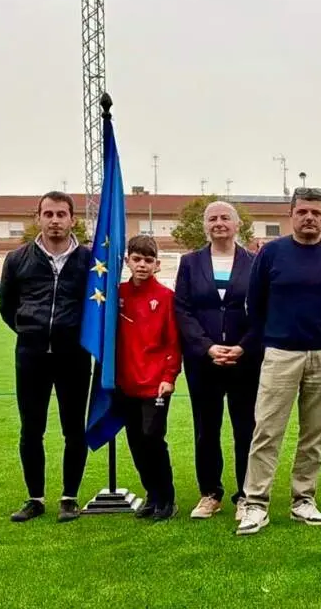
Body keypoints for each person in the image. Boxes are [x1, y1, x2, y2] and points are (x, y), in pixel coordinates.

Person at [236, 188, 321, 536]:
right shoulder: (271, 253)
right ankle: (256, 504)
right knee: (267, 431)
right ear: (291, 215)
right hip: (280, 354)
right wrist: (274, 337)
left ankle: (304, 499)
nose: (309, 218)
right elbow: (254, 303)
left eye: (315, 212)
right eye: (302, 212)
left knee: (313, 433)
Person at [0, 191, 93, 523]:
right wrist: (31, 331)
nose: (55, 221)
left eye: (61, 214)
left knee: (74, 429)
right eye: (48, 214)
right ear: (38, 217)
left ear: (72, 219)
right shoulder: (17, 259)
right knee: (31, 429)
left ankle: (69, 497)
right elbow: (6, 306)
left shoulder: (89, 261)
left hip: (74, 356)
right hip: (31, 356)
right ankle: (35, 498)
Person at [173, 200, 260, 521]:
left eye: (225, 218)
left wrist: (243, 347)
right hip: (203, 362)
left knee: (245, 429)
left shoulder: (255, 263)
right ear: (205, 226)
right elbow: (182, 310)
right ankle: (210, 493)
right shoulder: (190, 263)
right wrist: (207, 347)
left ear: (238, 225)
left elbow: (263, 310)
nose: (219, 223)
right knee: (206, 429)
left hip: (244, 361)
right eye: (212, 218)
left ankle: (246, 495)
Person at [115, 235, 182, 520]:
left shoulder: (166, 297)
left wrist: (169, 376)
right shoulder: (116, 295)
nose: (142, 265)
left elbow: (173, 342)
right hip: (125, 382)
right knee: (135, 442)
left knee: (152, 438)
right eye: (137, 259)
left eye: (148, 260)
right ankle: (152, 495)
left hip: (155, 383)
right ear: (127, 261)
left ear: (157, 264)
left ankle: (167, 498)